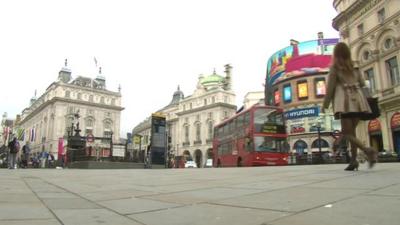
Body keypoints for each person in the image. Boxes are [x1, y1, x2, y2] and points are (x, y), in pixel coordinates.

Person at [322, 42, 377, 171]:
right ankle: (353, 161)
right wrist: (369, 100)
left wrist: (325, 104)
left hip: (345, 102)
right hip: (359, 102)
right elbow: (364, 84)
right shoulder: (354, 66)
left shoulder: (335, 68)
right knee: (352, 133)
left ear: (335, 54)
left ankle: (368, 151)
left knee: (347, 133)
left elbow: (330, 89)